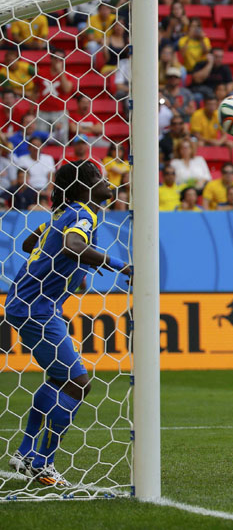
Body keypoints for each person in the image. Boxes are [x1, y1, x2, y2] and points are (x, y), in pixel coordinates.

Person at [5, 161, 130, 487]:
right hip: (38, 308)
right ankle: (42, 462)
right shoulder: (83, 214)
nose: (107, 182)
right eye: (100, 178)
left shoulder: (64, 215)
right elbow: (72, 245)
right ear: (85, 187)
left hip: (28, 304)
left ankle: (25, 452)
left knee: (61, 380)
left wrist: (72, 269)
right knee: (78, 382)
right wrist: (122, 266)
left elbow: (29, 246)